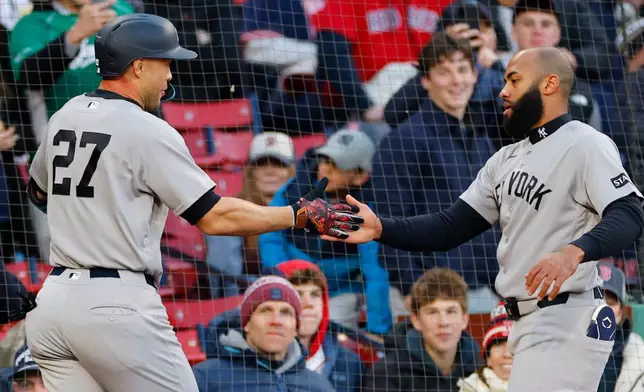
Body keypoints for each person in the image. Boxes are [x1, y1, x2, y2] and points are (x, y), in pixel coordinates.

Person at [22, 13, 362, 392]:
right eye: (165, 63)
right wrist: (295, 216)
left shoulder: (66, 114)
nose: (170, 75)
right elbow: (215, 218)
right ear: (138, 66)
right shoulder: (147, 128)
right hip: (114, 303)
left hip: (53, 305)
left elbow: (39, 193)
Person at [324, 46, 644, 392]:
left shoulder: (585, 143)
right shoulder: (505, 158)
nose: (503, 91)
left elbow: (629, 211)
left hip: (569, 315)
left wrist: (576, 251)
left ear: (550, 84)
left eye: (514, 80)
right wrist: (381, 228)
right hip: (528, 321)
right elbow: (450, 226)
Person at [371, 32, 501, 313]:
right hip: (428, 297)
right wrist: (411, 290)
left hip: (487, 291)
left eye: (463, 69)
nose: (456, 80)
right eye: (444, 71)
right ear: (426, 81)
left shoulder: (482, 136)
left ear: (475, 75)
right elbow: (388, 222)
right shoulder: (401, 141)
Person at [259, 126, 392, 335]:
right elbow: (271, 236)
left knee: (332, 320)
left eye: (337, 166)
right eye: (325, 159)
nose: (325, 168)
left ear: (360, 176)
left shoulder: (369, 209)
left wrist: (378, 331)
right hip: (292, 281)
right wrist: (285, 277)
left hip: (341, 290)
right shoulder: (295, 189)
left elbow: (375, 271)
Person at [192, 276, 336, 392]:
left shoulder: (319, 386)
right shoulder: (203, 378)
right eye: (265, 311)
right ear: (246, 323)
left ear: (295, 329)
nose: (276, 321)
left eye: (286, 313)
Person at [205, 132, 296, 297]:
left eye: (279, 164)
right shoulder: (233, 210)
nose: (270, 171)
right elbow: (227, 279)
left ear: (291, 171)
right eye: (262, 164)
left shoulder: (304, 211)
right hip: (245, 299)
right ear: (250, 172)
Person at [363, 268, 483, 392]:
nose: (443, 322)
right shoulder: (387, 373)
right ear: (416, 320)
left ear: (464, 319)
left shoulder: (482, 372)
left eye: (451, 311)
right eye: (432, 312)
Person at [277, 259, 365, 392]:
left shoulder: (350, 362)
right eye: (297, 294)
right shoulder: (251, 362)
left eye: (315, 295)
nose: (308, 304)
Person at [596, 263, 644, 392]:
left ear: (621, 311)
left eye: (611, 303)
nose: (603, 307)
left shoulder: (638, 353)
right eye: (598, 300)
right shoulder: (565, 345)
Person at [458, 302, 513, 392]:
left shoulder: (542, 383)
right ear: (488, 358)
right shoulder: (470, 387)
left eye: (515, 345)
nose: (507, 354)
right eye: (499, 344)